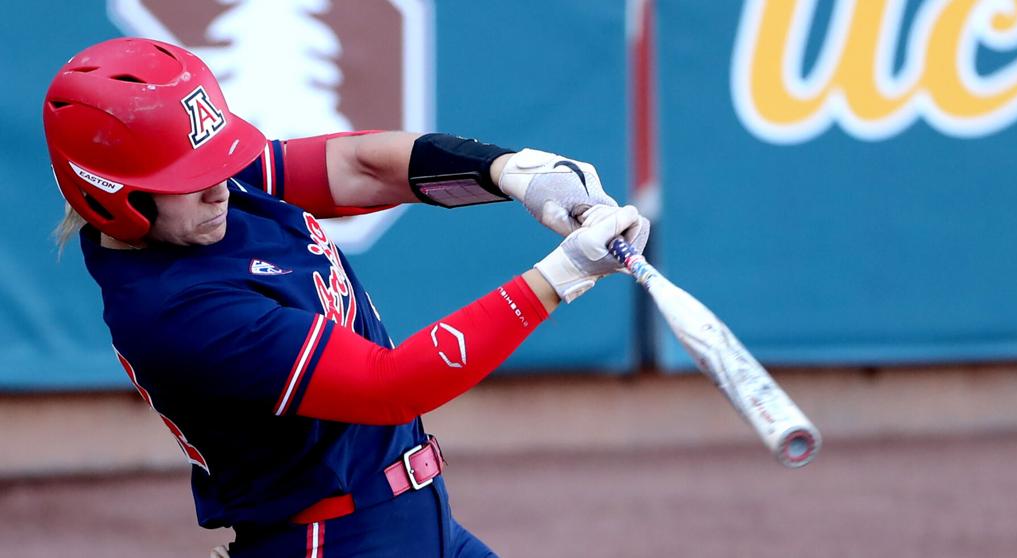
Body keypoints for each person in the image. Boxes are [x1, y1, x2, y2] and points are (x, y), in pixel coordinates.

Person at [43, 37, 648, 558]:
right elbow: (392, 386)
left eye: (216, 161)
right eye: (190, 179)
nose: (221, 187)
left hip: (412, 522)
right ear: (112, 196)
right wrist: (565, 274)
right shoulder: (177, 312)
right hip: (335, 540)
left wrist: (511, 173)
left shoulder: (202, 193)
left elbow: (362, 168)